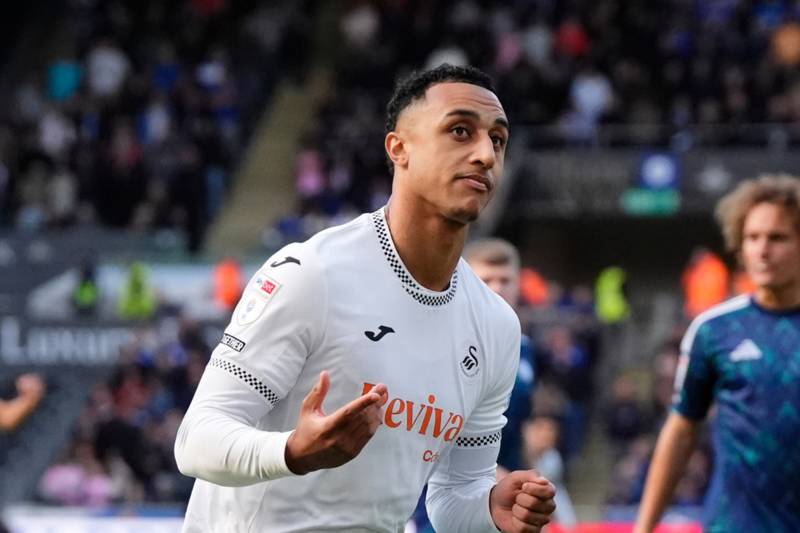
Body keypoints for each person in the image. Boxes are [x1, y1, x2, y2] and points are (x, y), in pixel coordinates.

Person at [174, 64, 556, 532]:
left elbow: (456, 494)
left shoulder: (496, 325)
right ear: (399, 148)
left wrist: (491, 509)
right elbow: (195, 440)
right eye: (460, 131)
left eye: (497, 140)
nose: (484, 154)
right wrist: (291, 451)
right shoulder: (313, 274)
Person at [634, 174, 800, 532]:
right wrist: (644, 528)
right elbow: (681, 430)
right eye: (752, 237)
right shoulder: (714, 330)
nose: (762, 250)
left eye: (777, 237)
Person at [463, 237, 535, 473]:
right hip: (459, 484)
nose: (497, 288)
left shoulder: (524, 348)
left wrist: (532, 470)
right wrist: (492, 474)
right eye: (486, 280)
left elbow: (520, 423)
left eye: (505, 280)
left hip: (510, 480)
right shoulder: (451, 345)